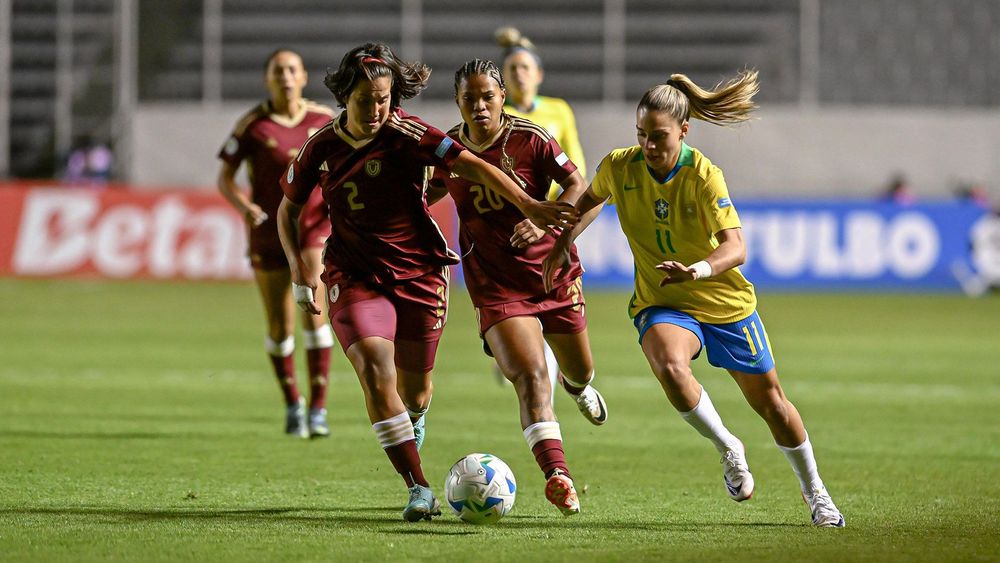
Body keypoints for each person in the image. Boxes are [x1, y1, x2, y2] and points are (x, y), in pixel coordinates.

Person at [276, 42, 578, 522]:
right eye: (366, 100)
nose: (377, 110)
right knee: (375, 368)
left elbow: (474, 165)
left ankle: (412, 421)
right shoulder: (321, 146)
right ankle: (419, 488)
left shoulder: (409, 133)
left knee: (414, 393)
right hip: (353, 273)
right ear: (344, 97)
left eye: (384, 99)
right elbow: (288, 209)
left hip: (420, 272)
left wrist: (531, 207)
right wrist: (298, 266)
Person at [543, 70, 847, 528]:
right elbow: (589, 200)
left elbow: (736, 246)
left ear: (684, 130)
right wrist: (564, 240)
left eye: (659, 136)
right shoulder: (620, 166)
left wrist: (698, 269)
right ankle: (729, 447)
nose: (648, 145)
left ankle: (816, 493)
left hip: (724, 303)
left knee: (772, 405)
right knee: (668, 364)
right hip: (662, 301)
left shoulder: (704, 175)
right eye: (641, 134)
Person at [427, 59, 608, 516]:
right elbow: (421, 198)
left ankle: (579, 386)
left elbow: (576, 185)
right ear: (458, 102)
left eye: (488, 96)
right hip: (495, 285)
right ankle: (557, 475)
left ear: (502, 96)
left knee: (580, 370)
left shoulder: (531, 138)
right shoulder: (447, 153)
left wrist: (542, 224)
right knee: (529, 376)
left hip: (551, 271)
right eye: (469, 98)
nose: (479, 105)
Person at [217, 48, 336, 439]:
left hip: (312, 231)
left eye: (292, 70)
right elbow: (226, 177)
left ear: (303, 76)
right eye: (278, 70)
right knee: (279, 325)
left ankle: (318, 409)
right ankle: (292, 403)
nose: (285, 76)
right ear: (268, 78)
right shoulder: (254, 125)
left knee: (315, 313)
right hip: (268, 231)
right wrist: (244, 205)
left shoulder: (323, 121)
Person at [495, 26, 587, 393]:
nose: (519, 74)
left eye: (525, 67)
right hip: (505, 221)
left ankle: (573, 377)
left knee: (557, 296)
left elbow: (574, 167)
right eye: (512, 68)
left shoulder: (557, 111)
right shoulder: (497, 115)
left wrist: (553, 212)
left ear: (538, 75)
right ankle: (523, 356)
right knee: (513, 303)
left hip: (550, 217)